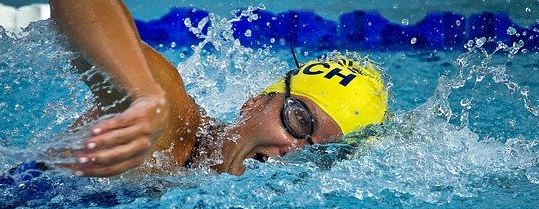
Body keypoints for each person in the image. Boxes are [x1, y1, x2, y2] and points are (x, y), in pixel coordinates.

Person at [49, 0, 388, 177]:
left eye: (319, 153)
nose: (294, 150)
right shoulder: (171, 123)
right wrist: (142, 93)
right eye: (300, 120)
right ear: (255, 102)